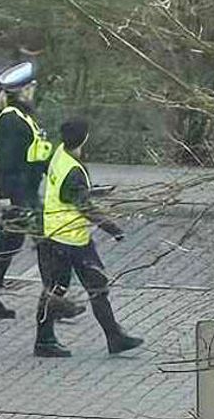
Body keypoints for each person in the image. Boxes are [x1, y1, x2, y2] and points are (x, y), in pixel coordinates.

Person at [0, 62, 83, 320]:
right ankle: (54, 303)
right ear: (24, 89)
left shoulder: (23, 116)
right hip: (20, 196)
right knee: (48, 246)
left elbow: (37, 155)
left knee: (6, 247)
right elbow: (5, 163)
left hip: (26, 193)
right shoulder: (11, 120)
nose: (34, 89)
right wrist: (7, 199)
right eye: (32, 85)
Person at [35, 119, 143, 357]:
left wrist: (93, 190)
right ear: (84, 138)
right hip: (67, 239)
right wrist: (113, 228)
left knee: (94, 286)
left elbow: (70, 193)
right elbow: (84, 206)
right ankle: (44, 341)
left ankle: (115, 337)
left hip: (64, 235)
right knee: (59, 290)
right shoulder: (73, 170)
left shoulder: (60, 154)